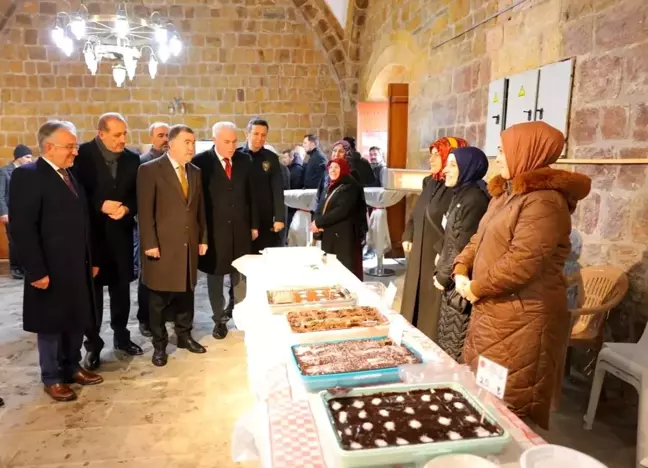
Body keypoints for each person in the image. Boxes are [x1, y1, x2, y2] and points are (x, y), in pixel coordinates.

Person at [453, 122, 591, 429]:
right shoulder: (506, 194)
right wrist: (461, 266)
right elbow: (480, 237)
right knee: (484, 396)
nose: (498, 157)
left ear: (524, 152)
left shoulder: (544, 201)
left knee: (510, 407)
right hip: (495, 309)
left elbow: (523, 260)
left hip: (523, 317)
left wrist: (477, 286)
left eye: (503, 150)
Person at [10, 120, 103, 401]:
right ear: (49, 147)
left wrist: (93, 258)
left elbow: (85, 222)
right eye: (70, 147)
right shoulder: (29, 175)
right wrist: (36, 269)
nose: (75, 152)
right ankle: (51, 376)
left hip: (77, 265)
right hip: (49, 267)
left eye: (75, 146)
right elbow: (23, 228)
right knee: (50, 324)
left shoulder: (69, 175)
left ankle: (71, 366)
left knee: (75, 318)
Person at [72, 112, 142, 371]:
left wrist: (127, 209)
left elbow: (138, 196)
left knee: (121, 292)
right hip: (92, 238)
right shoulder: (82, 156)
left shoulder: (132, 159)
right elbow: (76, 192)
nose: (123, 139)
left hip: (121, 236)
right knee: (93, 297)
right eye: (117, 135)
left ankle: (122, 337)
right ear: (101, 133)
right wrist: (100, 205)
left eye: (125, 134)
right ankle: (93, 346)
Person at [137, 125, 208, 366]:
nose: (192, 147)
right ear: (172, 143)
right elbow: (145, 212)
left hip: (188, 246)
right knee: (158, 299)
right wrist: (149, 243)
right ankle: (159, 345)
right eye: (187, 142)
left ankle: (184, 335)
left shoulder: (196, 171)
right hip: (161, 247)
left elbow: (200, 210)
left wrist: (203, 238)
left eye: (193, 142)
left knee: (186, 294)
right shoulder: (150, 170)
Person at [194, 122, 259, 340]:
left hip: (240, 229)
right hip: (214, 231)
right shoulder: (200, 163)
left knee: (240, 276)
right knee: (216, 277)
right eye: (227, 142)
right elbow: (198, 201)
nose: (232, 146)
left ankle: (240, 316)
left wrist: (254, 225)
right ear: (214, 140)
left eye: (234, 141)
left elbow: (252, 195)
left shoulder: (245, 161)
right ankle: (219, 319)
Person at [400, 136, 468, 340]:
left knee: (430, 306)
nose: (431, 159)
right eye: (431, 154)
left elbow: (456, 227)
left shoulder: (455, 187)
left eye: (437, 154)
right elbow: (417, 211)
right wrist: (408, 233)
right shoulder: (429, 181)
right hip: (419, 249)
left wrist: (442, 251)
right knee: (413, 299)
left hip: (436, 255)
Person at [433, 147, 490, 362]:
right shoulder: (461, 193)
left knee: (455, 341)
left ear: (468, 168)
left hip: (461, 281)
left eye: (452, 165)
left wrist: (442, 275)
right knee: (447, 336)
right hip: (452, 275)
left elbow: (462, 243)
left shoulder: (474, 199)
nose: (445, 170)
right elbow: (450, 234)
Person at [136, 122, 170, 338]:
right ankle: (144, 318)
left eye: (168, 135)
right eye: (160, 135)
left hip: (170, 230)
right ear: (151, 138)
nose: (165, 139)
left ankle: (165, 316)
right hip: (150, 229)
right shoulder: (144, 163)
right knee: (147, 278)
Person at [312, 158, 368, 279]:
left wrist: (319, 222)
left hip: (344, 237)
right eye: (331, 167)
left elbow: (341, 211)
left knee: (344, 270)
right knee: (330, 269)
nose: (333, 170)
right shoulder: (330, 186)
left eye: (336, 167)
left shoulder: (350, 187)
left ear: (343, 169)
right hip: (329, 233)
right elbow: (320, 207)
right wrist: (316, 222)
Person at [239, 119, 284, 251]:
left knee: (263, 254)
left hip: (264, 214)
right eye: (256, 134)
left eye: (263, 135)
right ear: (247, 134)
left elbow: (277, 188)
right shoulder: (237, 156)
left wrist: (279, 217)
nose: (260, 138)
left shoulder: (271, 158)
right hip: (243, 214)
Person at [0, 144, 33, 279]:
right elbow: (0, 193)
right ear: (18, 158)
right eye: (27, 157)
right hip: (11, 211)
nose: (30, 160)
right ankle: (15, 268)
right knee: (14, 240)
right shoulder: (4, 171)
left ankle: (25, 267)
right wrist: (3, 212)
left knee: (25, 239)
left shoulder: (28, 171)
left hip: (25, 211)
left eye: (31, 157)